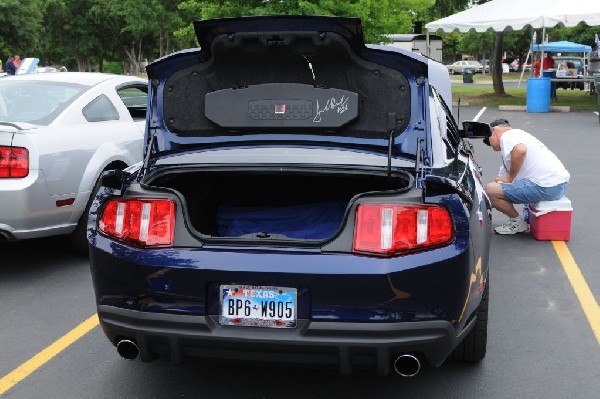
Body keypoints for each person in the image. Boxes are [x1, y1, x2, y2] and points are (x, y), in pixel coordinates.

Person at [483, 119, 570, 235]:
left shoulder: (508, 136)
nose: (491, 147)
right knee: (492, 191)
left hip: (547, 186)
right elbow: (498, 187)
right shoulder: (518, 138)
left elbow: (520, 150)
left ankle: (518, 223)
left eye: (488, 142)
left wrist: (510, 178)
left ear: (494, 131)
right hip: (557, 185)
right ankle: (519, 219)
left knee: (490, 189)